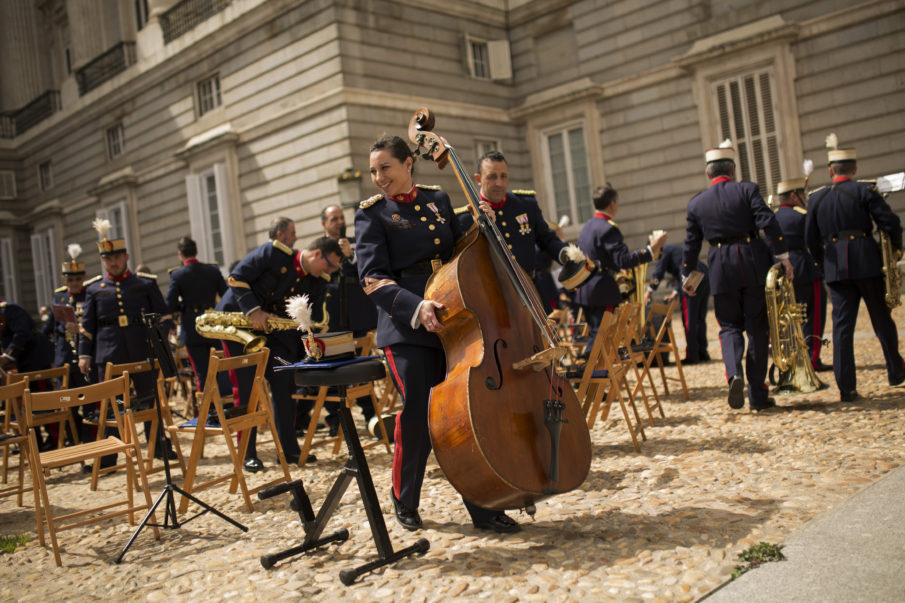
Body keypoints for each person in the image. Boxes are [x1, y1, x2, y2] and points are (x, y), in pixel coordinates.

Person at [355, 134, 519, 534]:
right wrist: (416, 307)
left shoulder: (437, 200)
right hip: (406, 326)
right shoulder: (372, 215)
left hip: (451, 317)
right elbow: (372, 278)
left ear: (408, 163)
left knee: (468, 412)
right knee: (419, 413)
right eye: (374, 171)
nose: (378, 177)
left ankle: (484, 505)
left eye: (385, 168)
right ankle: (404, 498)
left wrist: (480, 223)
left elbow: (456, 249)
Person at [215, 218, 341, 472]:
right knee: (246, 389)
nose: (329, 271)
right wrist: (254, 311)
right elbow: (236, 278)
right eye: (329, 264)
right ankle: (247, 453)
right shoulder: (273, 253)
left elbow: (316, 318)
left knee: (284, 385)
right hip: (239, 324)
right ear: (317, 254)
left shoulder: (318, 279)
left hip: (276, 334)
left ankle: (289, 449)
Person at [682, 143, 793, 411]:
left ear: (708, 173)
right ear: (732, 170)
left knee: (729, 327)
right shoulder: (747, 189)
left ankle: (734, 375)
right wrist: (783, 256)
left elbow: (691, 244)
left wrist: (688, 274)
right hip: (751, 261)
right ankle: (757, 395)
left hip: (720, 266)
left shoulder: (696, 203)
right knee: (757, 329)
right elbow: (768, 221)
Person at [805, 138, 905, 401]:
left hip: (835, 266)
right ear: (855, 169)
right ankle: (896, 372)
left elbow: (810, 239)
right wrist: (896, 247)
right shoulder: (865, 191)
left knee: (842, 328)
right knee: (881, 320)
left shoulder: (817, 198)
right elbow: (890, 222)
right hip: (866, 261)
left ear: (831, 171)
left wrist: (823, 263)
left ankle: (846, 387)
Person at [77, 218, 177, 461]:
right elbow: (88, 327)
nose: (113, 262)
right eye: (108, 259)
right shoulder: (94, 289)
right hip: (109, 354)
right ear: (103, 261)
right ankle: (110, 454)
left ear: (126, 257)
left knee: (150, 400)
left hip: (141, 350)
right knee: (111, 406)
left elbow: (164, 317)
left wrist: (159, 342)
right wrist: (84, 354)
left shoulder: (144, 283)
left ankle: (158, 446)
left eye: (117, 257)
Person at [574, 183, 668, 352]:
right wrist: (652, 249)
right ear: (612, 204)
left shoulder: (587, 226)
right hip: (601, 290)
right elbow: (623, 260)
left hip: (585, 288)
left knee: (596, 333)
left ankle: (592, 366)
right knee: (602, 336)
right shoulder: (608, 228)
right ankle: (589, 368)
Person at [461, 150, 570, 293]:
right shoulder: (466, 217)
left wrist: (565, 253)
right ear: (478, 179)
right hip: (495, 295)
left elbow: (546, 239)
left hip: (532, 289)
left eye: (503, 176)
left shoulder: (526, 204)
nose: (499, 183)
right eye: (492, 177)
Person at [320, 204, 376, 435]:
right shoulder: (319, 247)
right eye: (334, 219)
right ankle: (336, 418)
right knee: (334, 366)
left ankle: (371, 415)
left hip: (356, 311)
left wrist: (349, 255)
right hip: (333, 314)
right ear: (324, 223)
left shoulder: (354, 243)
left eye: (341, 218)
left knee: (362, 363)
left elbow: (368, 267)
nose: (339, 222)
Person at [773, 178, 829, 371]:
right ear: (793, 196)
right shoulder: (801, 216)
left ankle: (792, 357)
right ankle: (812, 358)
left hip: (780, 269)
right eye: (801, 194)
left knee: (787, 316)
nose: (804, 197)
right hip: (804, 267)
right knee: (814, 314)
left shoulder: (773, 217)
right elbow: (813, 241)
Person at [165, 236, 228, 391]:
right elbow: (226, 296)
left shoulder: (177, 275)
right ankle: (225, 401)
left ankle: (209, 404)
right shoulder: (212, 270)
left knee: (202, 372)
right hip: (213, 323)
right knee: (221, 368)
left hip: (191, 326)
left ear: (180, 254)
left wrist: (183, 305)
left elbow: (170, 305)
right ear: (197, 251)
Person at [644, 244, 711, 365]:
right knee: (700, 318)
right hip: (703, 274)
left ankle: (692, 355)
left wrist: (649, 290)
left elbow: (658, 273)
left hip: (690, 277)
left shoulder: (663, 252)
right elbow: (679, 273)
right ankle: (702, 352)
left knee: (689, 319)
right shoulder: (673, 250)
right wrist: (675, 293)